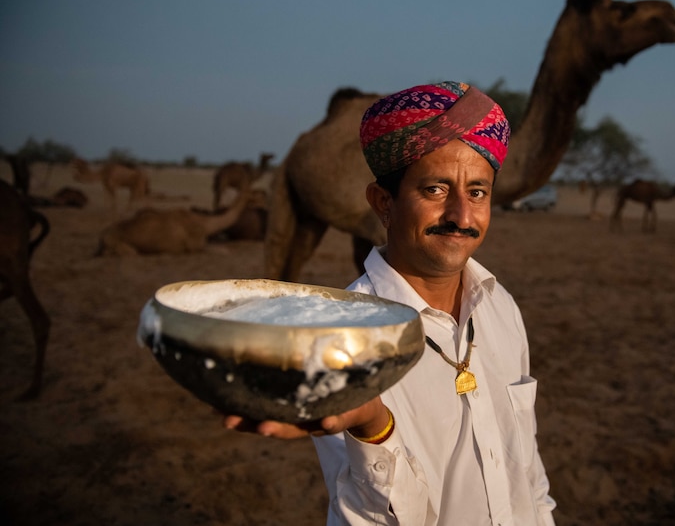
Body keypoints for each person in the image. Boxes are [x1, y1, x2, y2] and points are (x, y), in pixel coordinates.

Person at [224, 81, 556, 525]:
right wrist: (373, 427)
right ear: (384, 203)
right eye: (436, 190)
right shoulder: (343, 342)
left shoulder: (501, 308)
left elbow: (530, 480)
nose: (461, 215)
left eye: (477, 192)